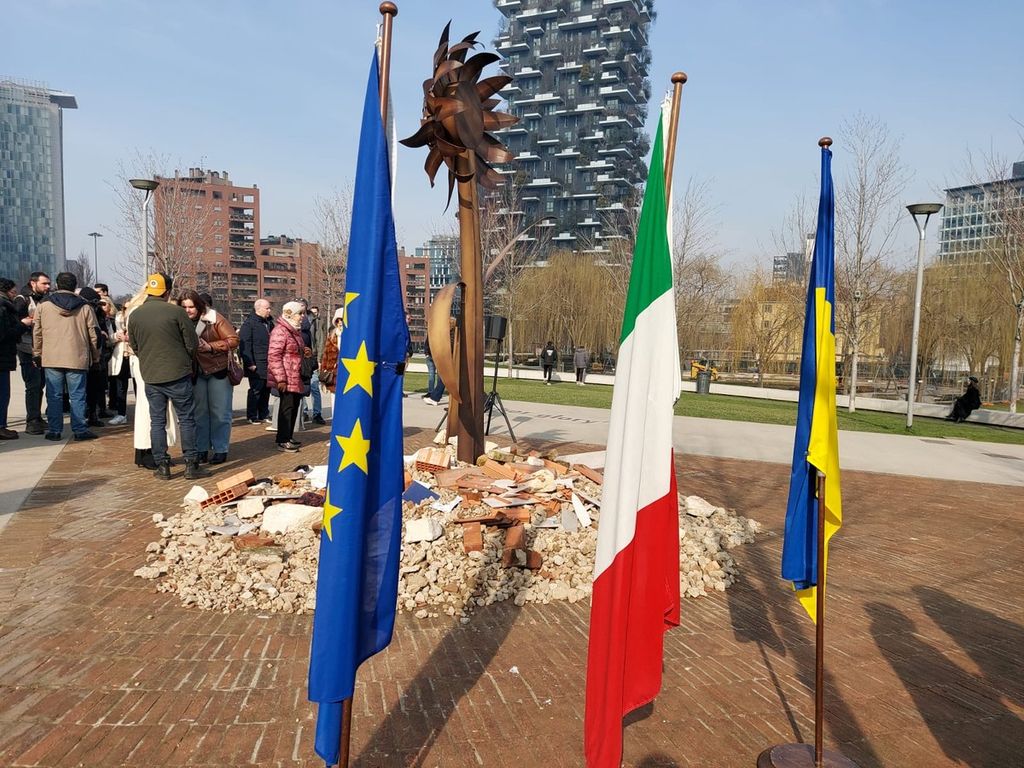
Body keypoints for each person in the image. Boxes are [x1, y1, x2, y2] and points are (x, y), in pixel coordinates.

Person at [128, 273, 209, 480]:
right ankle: (191, 464)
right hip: (178, 373)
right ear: (167, 292)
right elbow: (192, 343)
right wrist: (185, 360)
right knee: (186, 419)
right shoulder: (176, 312)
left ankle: (162, 465)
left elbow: (135, 345)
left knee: (157, 421)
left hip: (151, 375)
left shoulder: (135, 315)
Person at [32, 271, 100, 441]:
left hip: (52, 357)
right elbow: (94, 335)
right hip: (77, 356)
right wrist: (95, 357)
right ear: (74, 285)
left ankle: (55, 430)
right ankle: (80, 430)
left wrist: (37, 353)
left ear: (57, 284)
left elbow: (37, 332)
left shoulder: (44, 305)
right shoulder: (85, 306)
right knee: (78, 395)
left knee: (54, 395)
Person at [180, 291, 239, 465]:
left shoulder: (214, 318)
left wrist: (211, 347)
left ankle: (220, 449)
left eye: (191, 306)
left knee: (220, 412)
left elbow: (233, 340)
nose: (188, 310)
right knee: (199, 413)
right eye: (184, 307)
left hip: (217, 370)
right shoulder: (179, 320)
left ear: (199, 306)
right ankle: (202, 449)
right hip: (195, 372)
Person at [13, 271, 51, 434]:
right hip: (27, 347)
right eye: (44, 283)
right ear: (33, 283)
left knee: (40, 384)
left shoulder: (46, 299)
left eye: (48, 283)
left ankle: (37, 417)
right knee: (33, 384)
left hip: (43, 347)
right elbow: (16, 323)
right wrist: (27, 322)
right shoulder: (22, 300)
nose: (47, 286)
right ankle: (32, 421)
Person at [267, 301, 306, 452]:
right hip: (286, 376)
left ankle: (288, 436)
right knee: (286, 408)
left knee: (293, 406)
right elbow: (274, 356)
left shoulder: (293, 330)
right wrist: (280, 378)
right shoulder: (280, 331)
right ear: (290, 314)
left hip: (295, 374)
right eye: (299, 314)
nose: (302, 317)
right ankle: (283, 439)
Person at [78, 286, 111, 427]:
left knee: (96, 387)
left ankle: (94, 413)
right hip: (86, 355)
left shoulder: (98, 314)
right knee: (83, 390)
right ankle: (86, 415)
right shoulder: (81, 311)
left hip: (97, 355)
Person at [239, 298, 274, 424]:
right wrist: (250, 363)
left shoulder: (269, 323)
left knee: (266, 389)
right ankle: (252, 415)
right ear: (258, 309)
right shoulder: (249, 324)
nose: (269, 310)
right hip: (256, 363)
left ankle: (264, 413)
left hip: (268, 362)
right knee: (256, 389)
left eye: (269, 308)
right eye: (267, 308)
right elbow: (245, 345)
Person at [0, 278, 22, 440]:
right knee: (2, 394)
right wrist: (23, 325)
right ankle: (1, 426)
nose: (15, 295)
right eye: (13, 292)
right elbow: (4, 334)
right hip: (2, 357)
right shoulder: (3, 308)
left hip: (4, 357)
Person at [106, 298, 130, 426]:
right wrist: (117, 336)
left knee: (139, 386)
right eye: (125, 308)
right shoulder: (116, 320)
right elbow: (109, 339)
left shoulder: (136, 319)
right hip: (121, 355)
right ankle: (121, 413)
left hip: (134, 355)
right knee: (121, 387)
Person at [305, 301, 326, 424]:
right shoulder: (294, 320)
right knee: (301, 387)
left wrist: (319, 359)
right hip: (300, 357)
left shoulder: (316, 321)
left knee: (314, 386)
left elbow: (320, 340)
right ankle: (304, 411)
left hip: (313, 356)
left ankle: (317, 413)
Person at [318, 307, 344, 396]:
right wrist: (323, 380)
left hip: (347, 372)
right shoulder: (332, 337)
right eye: (338, 320)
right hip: (333, 374)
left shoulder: (352, 338)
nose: (340, 322)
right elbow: (325, 357)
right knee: (334, 398)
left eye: (342, 320)